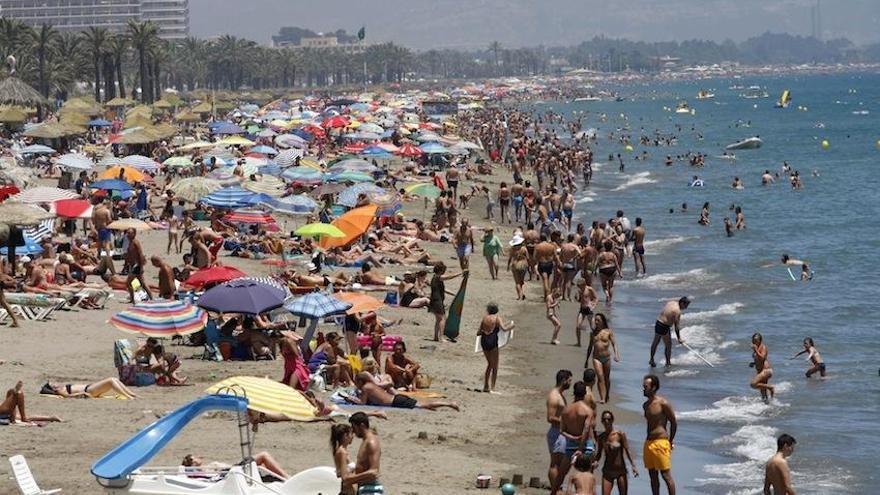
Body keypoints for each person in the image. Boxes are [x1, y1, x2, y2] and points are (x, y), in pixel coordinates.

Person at [552, 381, 596, 495]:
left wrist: (573, 437)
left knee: (562, 473)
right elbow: (586, 429)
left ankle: (552, 493)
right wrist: (580, 449)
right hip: (585, 446)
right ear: (585, 393)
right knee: (588, 477)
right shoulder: (588, 410)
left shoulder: (567, 410)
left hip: (570, 445)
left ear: (574, 393)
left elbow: (562, 431)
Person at [642, 374, 677, 495]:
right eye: (643, 386)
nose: (643, 389)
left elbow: (673, 422)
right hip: (649, 443)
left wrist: (670, 440)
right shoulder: (645, 405)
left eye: (645, 386)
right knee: (652, 476)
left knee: (666, 475)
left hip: (661, 442)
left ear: (653, 387)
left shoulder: (663, 403)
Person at [351, 372, 459, 411]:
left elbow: (362, 403)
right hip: (397, 398)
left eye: (357, 382)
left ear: (361, 381)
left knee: (424, 405)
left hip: (396, 401)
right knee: (424, 406)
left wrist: (352, 399)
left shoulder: (366, 388)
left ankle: (449, 404)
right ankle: (444, 405)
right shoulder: (371, 385)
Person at [595, 410, 638, 495]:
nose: (607, 421)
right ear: (602, 422)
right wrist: (595, 462)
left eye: (609, 419)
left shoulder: (620, 434)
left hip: (620, 471)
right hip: (607, 471)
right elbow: (599, 454)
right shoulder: (601, 437)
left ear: (612, 420)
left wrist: (633, 466)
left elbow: (627, 450)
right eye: (604, 419)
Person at [478, 302, 515, 393]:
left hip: (484, 341)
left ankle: (486, 386)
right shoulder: (497, 318)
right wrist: (512, 326)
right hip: (493, 341)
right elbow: (504, 329)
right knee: (495, 365)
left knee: (489, 364)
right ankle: (492, 387)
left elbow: (478, 332)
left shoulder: (484, 318)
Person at [547, 370, 573, 491]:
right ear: (563, 380)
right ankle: (555, 489)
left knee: (561, 464)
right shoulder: (554, 396)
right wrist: (566, 423)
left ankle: (557, 487)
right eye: (569, 380)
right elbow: (550, 418)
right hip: (557, 433)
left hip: (561, 433)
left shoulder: (560, 394)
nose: (570, 383)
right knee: (556, 463)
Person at [585, 313, 620, 404]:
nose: (596, 322)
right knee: (600, 377)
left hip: (607, 357)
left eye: (598, 320)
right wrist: (586, 360)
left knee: (607, 378)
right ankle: (602, 398)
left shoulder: (608, 332)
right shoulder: (593, 333)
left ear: (602, 322)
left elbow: (614, 344)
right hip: (596, 358)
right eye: (595, 320)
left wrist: (616, 355)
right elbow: (590, 347)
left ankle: (607, 394)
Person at [182, 451, 288, 480]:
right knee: (263, 455)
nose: (198, 457)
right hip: (234, 472)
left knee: (262, 461)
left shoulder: (204, 469)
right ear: (192, 463)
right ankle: (287, 477)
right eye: (195, 457)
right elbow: (189, 473)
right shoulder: (200, 472)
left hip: (235, 470)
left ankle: (283, 477)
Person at [428, 263, 466, 342]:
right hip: (437, 301)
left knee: (438, 319)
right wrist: (460, 273)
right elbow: (448, 277)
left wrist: (454, 294)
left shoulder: (434, 278)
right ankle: (441, 337)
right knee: (442, 319)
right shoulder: (438, 277)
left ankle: (436, 337)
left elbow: (444, 290)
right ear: (441, 270)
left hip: (434, 301)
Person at [649, 297, 690, 368]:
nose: (686, 308)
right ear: (682, 303)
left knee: (656, 342)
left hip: (658, 322)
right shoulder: (677, 311)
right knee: (668, 345)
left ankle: (651, 359)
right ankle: (668, 363)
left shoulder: (672, 302)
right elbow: (676, 326)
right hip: (664, 326)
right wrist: (679, 338)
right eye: (686, 305)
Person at [348, 412, 383, 495]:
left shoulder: (371, 443)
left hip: (371, 489)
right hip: (364, 488)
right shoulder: (365, 441)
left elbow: (374, 471)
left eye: (354, 427)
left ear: (362, 426)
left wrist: (351, 479)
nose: (353, 431)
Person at [42, 377, 139, 399]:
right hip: (88, 390)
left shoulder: (61, 388)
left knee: (114, 379)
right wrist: (82, 394)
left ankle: (132, 394)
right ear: (53, 389)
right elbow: (68, 396)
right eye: (52, 384)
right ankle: (128, 397)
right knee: (111, 381)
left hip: (90, 388)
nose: (55, 383)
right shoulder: (60, 391)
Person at [125, 228, 152, 303]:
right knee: (142, 283)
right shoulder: (130, 242)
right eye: (127, 233)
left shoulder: (135, 242)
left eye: (130, 233)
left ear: (134, 234)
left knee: (129, 283)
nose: (128, 234)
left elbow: (140, 254)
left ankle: (132, 299)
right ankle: (151, 298)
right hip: (133, 265)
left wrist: (141, 267)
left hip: (137, 265)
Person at [331, 423, 357, 495]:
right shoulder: (342, 452)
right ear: (346, 435)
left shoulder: (341, 451)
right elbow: (344, 476)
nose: (353, 437)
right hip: (347, 491)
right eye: (351, 434)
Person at [750, 332, 775, 401]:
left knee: (753, 384)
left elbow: (763, 358)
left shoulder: (763, 347)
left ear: (760, 340)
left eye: (756, 340)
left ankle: (770, 387)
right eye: (753, 340)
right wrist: (754, 363)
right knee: (763, 392)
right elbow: (759, 360)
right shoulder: (757, 348)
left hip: (766, 371)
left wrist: (756, 350)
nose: (754, 342)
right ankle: (766, 404)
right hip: (760, 371)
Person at [575, 278, 598, 347]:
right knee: (578, 326)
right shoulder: (579, 290)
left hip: (589, 309)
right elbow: (581, 300)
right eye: (578, 285)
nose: (579, 286)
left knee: (593, 327)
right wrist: (577, 299)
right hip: (582, 309)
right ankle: (578, 343)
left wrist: (593, 305)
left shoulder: (589, 289)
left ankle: (595, 342)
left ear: (584, 284)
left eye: (580, 285)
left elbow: (596, 298)